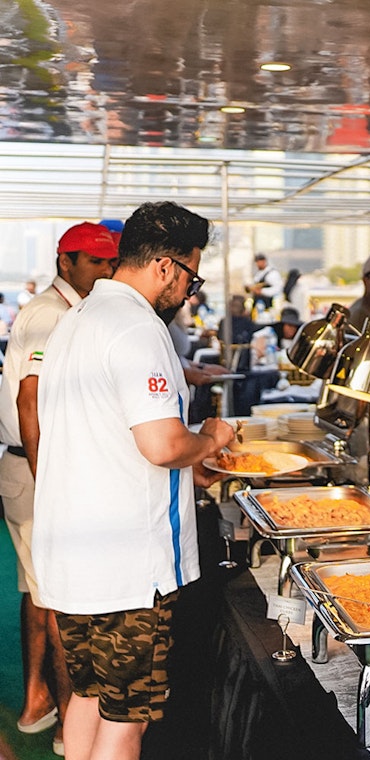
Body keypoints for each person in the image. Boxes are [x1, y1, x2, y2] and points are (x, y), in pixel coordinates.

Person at [31, 201, 235, 760]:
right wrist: (212, 438)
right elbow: (164, 445)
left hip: (74, 551)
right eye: (191, 278)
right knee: (130, 716)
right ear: (167, 266)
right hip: (125, 563)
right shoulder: (138, 328)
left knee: (91, 695)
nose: (187, 291)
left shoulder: (76, 319)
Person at [0, 222, 118, 756]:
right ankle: (71, 726)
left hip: (30, 470)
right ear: (65, 262)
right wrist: (56, 487)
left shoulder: (67, 310)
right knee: (63, 603)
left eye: (110, 262)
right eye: (94, 262)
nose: (105, 270)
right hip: (37, 474)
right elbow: (31, 403)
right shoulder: (52, 315)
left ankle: (36, 701)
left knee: (40, 594)